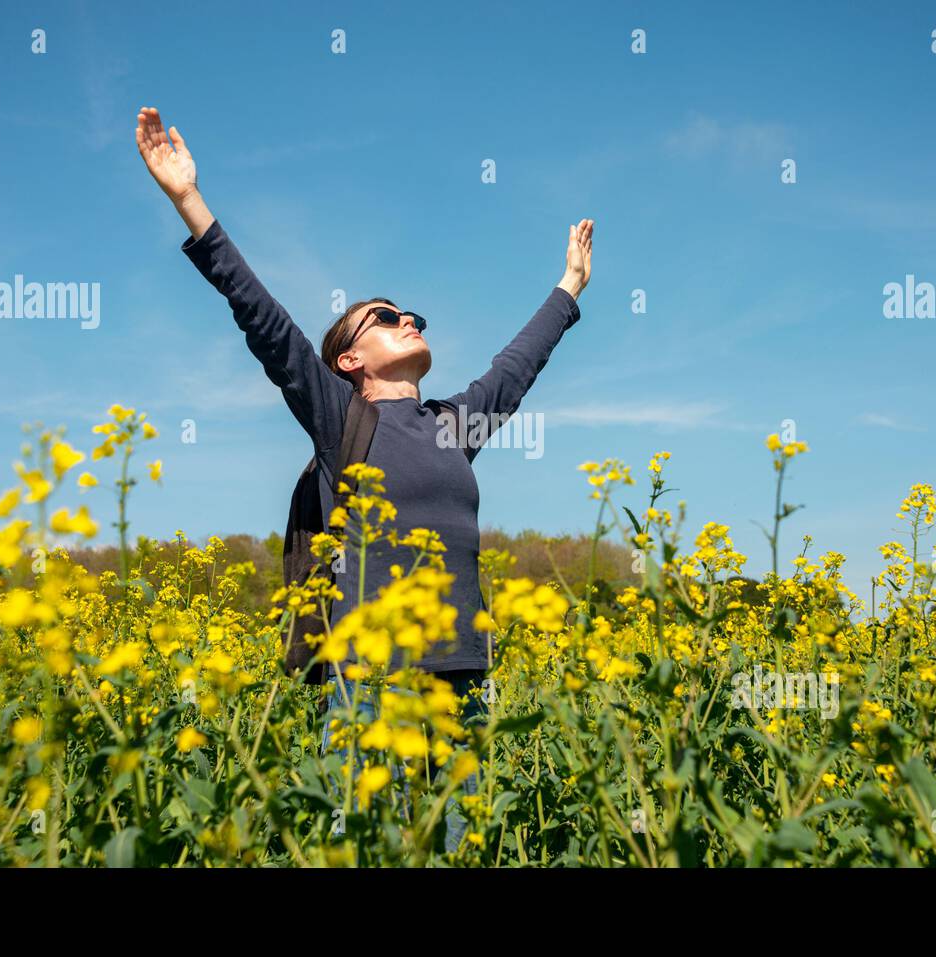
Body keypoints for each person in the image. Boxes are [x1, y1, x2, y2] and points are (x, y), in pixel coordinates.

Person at [135, 106, 593, 852]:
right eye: (386, 316)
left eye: (412, 312)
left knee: (458, 848)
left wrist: (568, 288)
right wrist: (190, 200)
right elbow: (262, 317)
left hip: (461, 680)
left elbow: (516, 368)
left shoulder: (454, 423)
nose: (408, 319)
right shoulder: (340, 419)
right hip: (365, 681)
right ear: (350, 359)